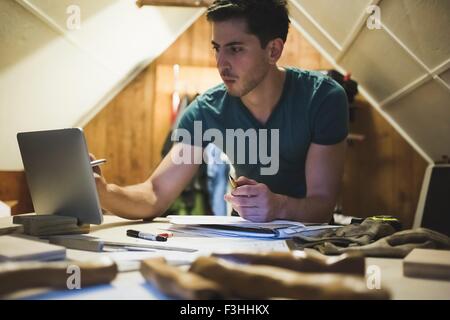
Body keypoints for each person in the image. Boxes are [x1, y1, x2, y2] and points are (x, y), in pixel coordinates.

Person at [91, 0, 348, 223]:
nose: (221, 63)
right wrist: (103, 192)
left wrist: (278, 206)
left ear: (273, 50)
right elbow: (155, 194)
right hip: (244, 239)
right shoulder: (206, 111)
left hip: (309, 242)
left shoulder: (322, 98)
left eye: (235, 49)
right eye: (217, 48)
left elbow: (322, 205)